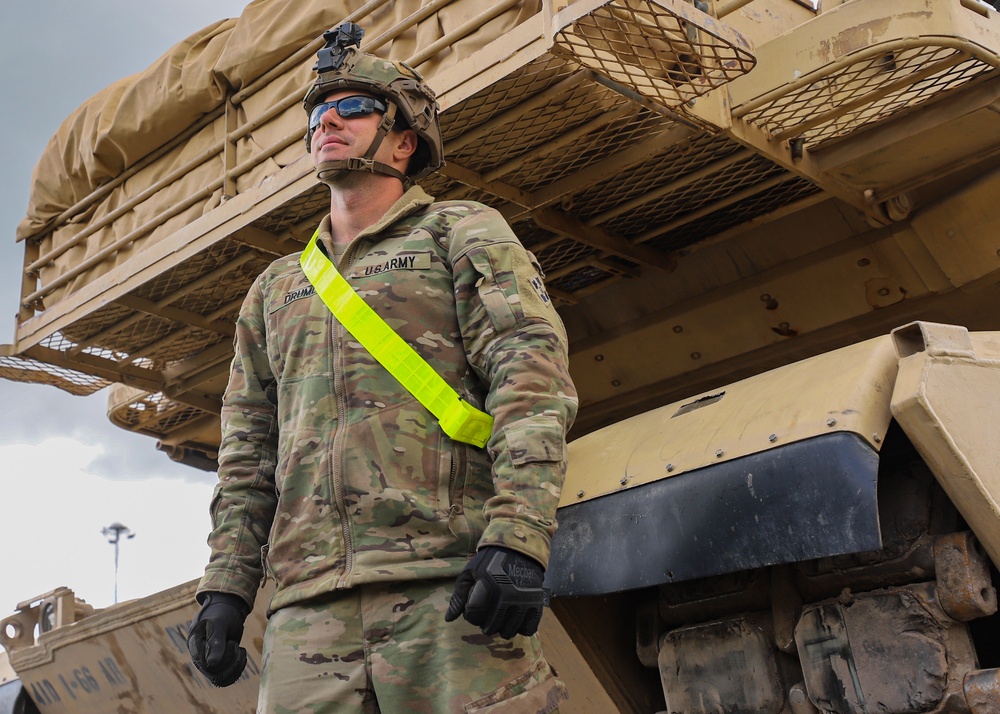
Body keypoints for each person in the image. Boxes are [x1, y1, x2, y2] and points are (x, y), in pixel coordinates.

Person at [187, 22, 578, 714]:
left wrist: (518, 536)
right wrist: (226, 585)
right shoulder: (275, 289)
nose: (327, 118)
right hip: (308, 613)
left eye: (355, 106)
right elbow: (248, 451)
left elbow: (531, 379)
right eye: (317, 112)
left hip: (448, 591)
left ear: (404, 140)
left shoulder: (461, 233)